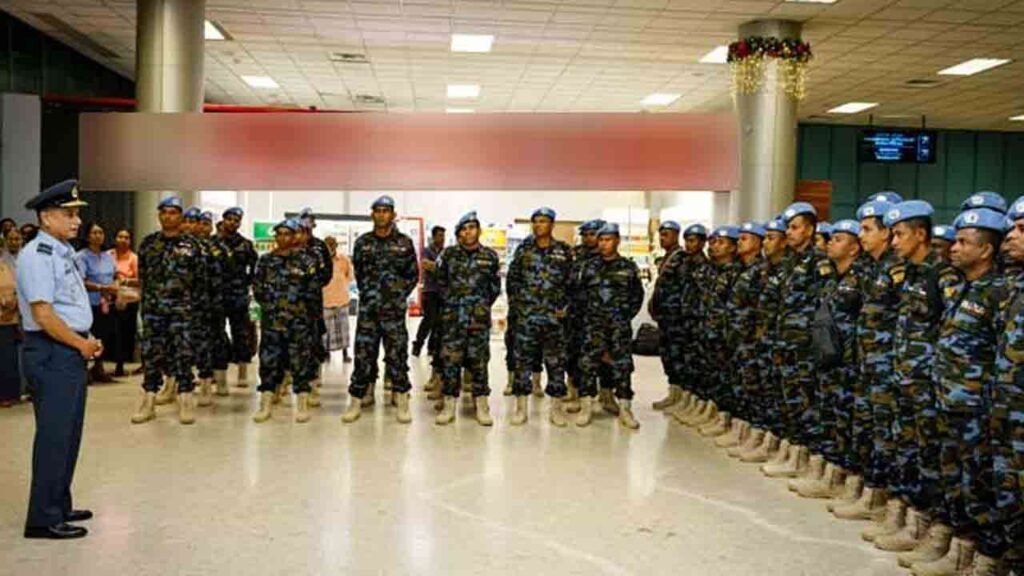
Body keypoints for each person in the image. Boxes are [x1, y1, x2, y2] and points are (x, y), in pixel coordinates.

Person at [909, 206, 1006, 576]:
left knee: (978, 484)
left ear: (985, 250)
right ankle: (957, 548)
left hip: (977, 409)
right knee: (952, 479)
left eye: (964, 242)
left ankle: (986, 559)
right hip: (948, 400)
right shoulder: (963, 287)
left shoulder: (999, 293)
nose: (954, 247)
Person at [17, 179, 101, 540]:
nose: (77, 221)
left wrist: (85, 338)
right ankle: (42, 517)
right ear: (46, 218)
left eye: (77, 214)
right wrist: (81, 345)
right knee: (54, 437)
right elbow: (44, 315)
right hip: (52, 351)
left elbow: (68, 307)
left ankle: (59, 504)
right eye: (69, 214)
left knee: (68, 434)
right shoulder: (38, 255)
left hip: (67, 348)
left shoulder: (61, 252)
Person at [832, 195, 904, 520]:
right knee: (864, 429)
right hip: (865, 362)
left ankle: (882, 502)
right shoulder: (870, 268)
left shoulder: (898, 271)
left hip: (888, 368)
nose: (862, 236)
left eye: (867, 229)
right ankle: (865, 491)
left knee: (885, 436)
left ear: (886, 232)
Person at [791, 219, 865, 499]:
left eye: (838, 239)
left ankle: (841, 480)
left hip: (847, 362)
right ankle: (826, 472)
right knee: (826, 414)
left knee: (844, 422)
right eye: (831, 238)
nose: (831, 242)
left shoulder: (862, 278)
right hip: (826, 357)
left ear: (854, 248)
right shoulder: (834, 278)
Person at [761, 202, 835, 479]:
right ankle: (792, 454)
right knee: (789, 401)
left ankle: (808, 462)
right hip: (786, 342)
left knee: (806, 404)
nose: (789, 233)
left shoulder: (819, 263)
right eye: (788, 228)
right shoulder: (791, 262)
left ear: (810, 229)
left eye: (795, 227)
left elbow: (824, 307)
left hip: (805, 346)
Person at [341, 195, 419, 424]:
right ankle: (356, 401)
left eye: (386, 211)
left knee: (397, 356)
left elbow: (412, 275)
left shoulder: (404, 243)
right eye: (378, 211)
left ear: (393, 215)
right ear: (372, 214)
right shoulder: (363, 243)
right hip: (369, 312)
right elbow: (360, 273)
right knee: (363, 356)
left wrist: (397, 295)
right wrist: (371, 294)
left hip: (394, 313)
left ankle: (402, 401)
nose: (382, 215)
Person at [131, 196, 205, 425]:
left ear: (181, 216)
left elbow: (201, 282)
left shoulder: (193, 246)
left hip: (183, 311)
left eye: (173, 212)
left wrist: (195, 311)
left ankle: (185, 399)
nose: (168, 217)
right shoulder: (148, 244)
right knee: (152, 356)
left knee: (184, 355)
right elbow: (143, 277)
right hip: (154, 311)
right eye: (164, 212)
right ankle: (148, 401)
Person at [506, 207, 574, 426]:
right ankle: (521, 409)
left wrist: (566, 307)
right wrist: (518, 306)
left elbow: (572, 282)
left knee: (556, 363)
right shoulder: (524, 250)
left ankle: (556, 409)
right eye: (535, 221)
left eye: (543, 221)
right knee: (522, 362)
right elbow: (512, 280)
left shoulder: (563, 251)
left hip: (554, 318)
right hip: (527, 317)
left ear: (552, 224)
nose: (538, 225)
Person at [434, 211, 501, 426]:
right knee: (451, 362)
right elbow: (440, 283)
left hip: (478, 320)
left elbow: (494, 288)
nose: (468, 232)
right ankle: (449, 405)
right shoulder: (448, 255)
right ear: (458, 234)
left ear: (478, 231)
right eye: (463, 229)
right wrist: (454, 303)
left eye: (472, 227)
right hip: (453, 319)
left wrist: (479, 306)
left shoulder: (490, 256)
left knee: (479, 362)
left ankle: (481, 405)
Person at [251, 219, 320, 424]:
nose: (282, 238)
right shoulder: (266, 261)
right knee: (269, 361)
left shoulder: (307, 261)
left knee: (300, 361)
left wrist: (306, 315)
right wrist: (271, 307)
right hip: (272, 321)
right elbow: (258, 288)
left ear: (295, 236)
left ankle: (302, 404)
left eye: (287, 234)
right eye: (279, 234)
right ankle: (265, 403)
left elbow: (313, 291)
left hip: (299, 321)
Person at [576, 223, 644, 428]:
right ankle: (586, 407)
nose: (604, 244)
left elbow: (636, 296)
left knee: (622, 366)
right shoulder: (589, 267)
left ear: (617, 241)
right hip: (593, 325)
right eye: (601, 240)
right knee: (587, 365)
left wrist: (622, 316)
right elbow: (579, 295)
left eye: (608, 240)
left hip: (618, 326)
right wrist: (588, 317)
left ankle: (625, 408)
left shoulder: (628, 267)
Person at [734, 218, 788, 463]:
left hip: (777, 342)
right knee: (756, 389)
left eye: (770, 238)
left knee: (775, 395)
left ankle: (772, 444)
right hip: (756, 338)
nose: (767, 242)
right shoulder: (765, 269)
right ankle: (756, 436)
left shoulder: (788, 270)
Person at [718, 221, 766, 452]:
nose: (740, 242)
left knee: (751, 387)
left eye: (745, 238)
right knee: (737, 384)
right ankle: (738, 430)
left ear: (758, 243)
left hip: (750, 339)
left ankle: (751, 435)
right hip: (736, 336)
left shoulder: (761, 271)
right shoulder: (741, 269)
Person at [692, 226, 742, 436]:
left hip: (726, 335)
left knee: (726, 378)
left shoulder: (737, 272)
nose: (714, 246)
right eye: (712, 242)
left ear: (733, 247)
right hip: (708, 331)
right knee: (711, 374)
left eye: (720, 242)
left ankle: (725, 419)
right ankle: (713, 412)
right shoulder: (713, 270)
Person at [669, 224, 712, 424]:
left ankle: (694, 403)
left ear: (702, 242)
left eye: (693, 240)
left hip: (696, 320)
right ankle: (682, 398)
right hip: (681, 318)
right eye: (687, 240)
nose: (689, 244)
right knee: (682, 361)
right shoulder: (682, 261)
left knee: (695, 364)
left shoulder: (704, 266)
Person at [181, 207, 220, 406]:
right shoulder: (176, 245)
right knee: (179, 346)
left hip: (202, 305)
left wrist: (213, 304)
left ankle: (206, 384)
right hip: (178, 306)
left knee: (203, 345)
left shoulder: (208, 248)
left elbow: (216, 278)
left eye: (193, 222)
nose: (189, 226)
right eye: (186, 221)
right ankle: (177, 385)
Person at [566, 219, 604, 412]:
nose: (588, 238)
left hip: (598, 317)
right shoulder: (576, 256)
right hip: (575, 315)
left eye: (592, 234)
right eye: (585, 235)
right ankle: (577, 393)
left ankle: (604, 396)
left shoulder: (606, 258)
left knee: (601, 358)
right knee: (574, 355)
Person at [217, 206, 258, 386]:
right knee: (217, 335)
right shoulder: (212, 244)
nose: (232, 223)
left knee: (241, 334)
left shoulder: (246, 245)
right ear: (223, 220)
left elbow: (255, 267)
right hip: (217, 295)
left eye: (236, 220)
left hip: (238, 295)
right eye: (229, 219)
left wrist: (246, 283)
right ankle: (220, 377)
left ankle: (242, 374)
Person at [74, 223, 118, 384]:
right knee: (90, 335)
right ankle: (85, 369)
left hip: (106, 302)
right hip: (89, 301)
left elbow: (116, 275)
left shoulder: (108, 256)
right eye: (94, 233)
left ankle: (99, 368)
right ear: (87, 236)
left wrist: (115, 285)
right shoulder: (81, 256)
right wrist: (102, 287)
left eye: (101, 232)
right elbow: (81, 281)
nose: (98, 236)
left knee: (104, 334)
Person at [650, 220, 686, 411]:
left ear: (676, 235)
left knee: (677, 357)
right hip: (665, 317)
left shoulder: (681, 258)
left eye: (666, 235)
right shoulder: (667, 257)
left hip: (676, 319)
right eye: (661, 235)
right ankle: (673, 393)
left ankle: (680, 398)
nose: (662, 239)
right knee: (668, 356)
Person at [109, 229, 139, 378]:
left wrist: (125, 281)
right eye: (120, 236)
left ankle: (121, 363)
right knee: (111, 331)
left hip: (128, 299)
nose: (123, 240)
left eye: (126, 237)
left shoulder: (134, 258)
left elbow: (140, 279)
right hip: (109, 297)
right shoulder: (109, 255)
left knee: (125, 332)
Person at [413, 225, 445, 360]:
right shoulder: (427, 250)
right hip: (430, 290)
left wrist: (436, 267)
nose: (442, 238)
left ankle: (433, 347)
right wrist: (441, 268)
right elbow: (425, 264)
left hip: (442, 291)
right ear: (433, 237)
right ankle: (418, 344)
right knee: (428, 319)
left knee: (439, 321)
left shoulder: (445, 252)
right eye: (440, 236)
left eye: (443, 236)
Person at [322, 236, 354, 364]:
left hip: (341, 299)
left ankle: (345, 354)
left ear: (336, 246)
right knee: (325, 331)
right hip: (324, 300)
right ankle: (326, 353)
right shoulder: (320, 261)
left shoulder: (343, 259)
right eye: (327, 245)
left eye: (332, 244)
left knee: (343, 329)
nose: (330, 247)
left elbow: (349, 276)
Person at [0, 251, 19, 407]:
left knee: (8, 358)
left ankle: (9, 394)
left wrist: (12, 307)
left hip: (10, 319)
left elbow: (17, 289)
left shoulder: (6, 267)